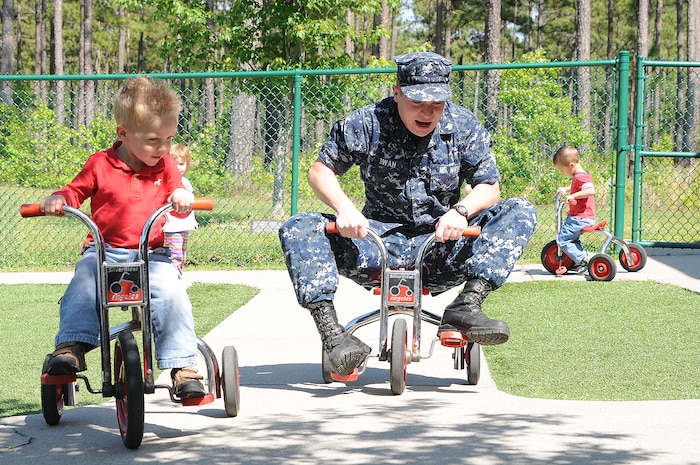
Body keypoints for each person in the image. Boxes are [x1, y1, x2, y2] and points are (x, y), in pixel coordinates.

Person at [278, 52, 537, 377]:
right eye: (417, 101)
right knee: (298, 226)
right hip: (374, 244)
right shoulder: (367, 122)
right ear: (397, 91)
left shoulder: (462, 125)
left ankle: (467, 304)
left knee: (519, 211)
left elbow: (489, 187)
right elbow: (320, 171)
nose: (427, 111)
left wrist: (461, 212)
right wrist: (345, 209)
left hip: (442, 245)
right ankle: (333, 335)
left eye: (437, 103)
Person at [39, 76, 206, 399]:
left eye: (169, 139)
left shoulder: (166, 166)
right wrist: (59, 199)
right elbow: (75, 191)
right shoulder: (100, 164)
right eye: (154, 140)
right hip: (104, 252)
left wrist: (182, 200)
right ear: (123, 133)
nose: (163, 149)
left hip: (151, 254)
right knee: (84, 280)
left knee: (171, 291)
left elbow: (178, 199)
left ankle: (182, 367)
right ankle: (71, 345)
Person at [553, 144, 596, 273]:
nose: (562, 173)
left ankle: (584, 260)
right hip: (582, 217)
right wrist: (566, 189)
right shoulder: (578, 177)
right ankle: (579, 260)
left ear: (571, 165)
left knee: (562, 240)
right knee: (572, 239)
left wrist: (572, 195)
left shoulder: (581, 176)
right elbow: (577, 186)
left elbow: (590, 190)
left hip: (579, 218)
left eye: (562, 170)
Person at [164, 144, 198, 276]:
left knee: (182, 252)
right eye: (174, 164)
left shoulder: (186, 182)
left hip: (183, 225)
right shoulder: (166, 181)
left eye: (181, 164)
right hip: (172, 226)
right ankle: (174, 276)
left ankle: (179, 274)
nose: (178, 167)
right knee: (175, 253)